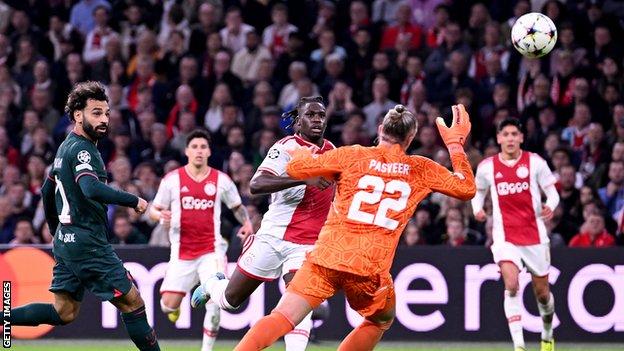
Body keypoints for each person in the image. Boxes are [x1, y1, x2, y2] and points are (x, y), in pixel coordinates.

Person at [231, 104, 476, 350]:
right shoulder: (421, 169)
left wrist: (300, 153)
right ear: (411, 138)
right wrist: (455, 146)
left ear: (380, 129)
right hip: (368, 269)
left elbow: (297, 169)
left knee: (282, 315)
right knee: (381, 319)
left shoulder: (352, 155)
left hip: (326, 259)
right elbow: (467, 189)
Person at [8, 81, 160, 350]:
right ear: (78, 115)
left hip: (68, 241)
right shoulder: (82, 149)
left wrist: (58, 231)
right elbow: (90, 188)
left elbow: (46, 190)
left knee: (63, 312)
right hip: (88, 243)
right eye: (96, 113)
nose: (104, 120)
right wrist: (134, 200)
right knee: (133, 302)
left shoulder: (64, 147)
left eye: (106, 113)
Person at [191, 96, 335, 350]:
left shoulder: (333, 152)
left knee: (299, 302)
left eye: (321, 115)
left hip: (307, 245)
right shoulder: (285, 148)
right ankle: (213, 284)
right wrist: (303, 179)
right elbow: (257, 184)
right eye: (310, 115)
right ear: (298, 121)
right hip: (272, 238)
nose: (317, 120)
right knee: (229, 300)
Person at [148, 128, 252, 351]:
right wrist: (160, 215)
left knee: (215, 301)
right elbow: (153, 210)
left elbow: (237, 207)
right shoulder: (172, 180)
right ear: (186, 151)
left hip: (211, 251)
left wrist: (247, 222)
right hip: (182, 253)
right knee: (167, 307)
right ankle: (175, 306)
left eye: (203, 147)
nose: (199, 151)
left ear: (209, 152)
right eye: (194, 146)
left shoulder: (221, 180)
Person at [471, 118, 560, 351]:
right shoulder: (487, 167)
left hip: (534, 236)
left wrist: (550, 204)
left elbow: (552, 192)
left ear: (521, 137)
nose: (510, 138)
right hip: (504, 237)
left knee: (542, 294)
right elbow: (477, 192)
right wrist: (476, 208)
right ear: (499, 138)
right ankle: (519, 346)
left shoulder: (535, 163)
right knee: (511, 284)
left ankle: (548, 334)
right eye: (506, 134)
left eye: (514, 134)